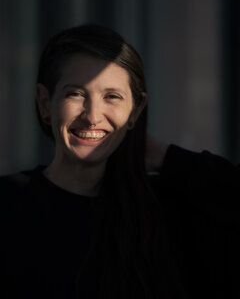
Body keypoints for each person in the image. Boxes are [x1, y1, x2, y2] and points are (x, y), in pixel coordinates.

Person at [0, 24, 239, 299]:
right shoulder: (8, 204)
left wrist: (165, 158)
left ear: (135, 110)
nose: (92, 116)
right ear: (45, 103)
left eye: (112, 97)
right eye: (75, 94)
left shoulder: (167, 211)